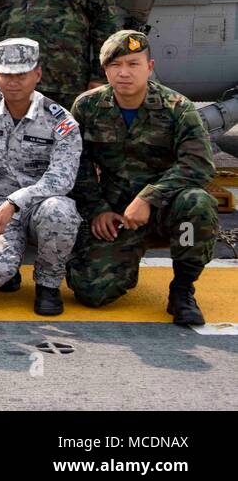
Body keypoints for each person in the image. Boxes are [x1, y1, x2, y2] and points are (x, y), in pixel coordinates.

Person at [67, 31, 218, 325]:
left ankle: (183, 288)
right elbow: (78, 165)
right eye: (116, 65)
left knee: (197, 205)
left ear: (149, 67)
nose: (124, 73)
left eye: (133, 64)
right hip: (117, 215)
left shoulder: (178, 108)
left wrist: (149, 197)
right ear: (105, 70)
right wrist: (97, 210)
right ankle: (125, 258)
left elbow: (198, 164)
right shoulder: (87, 107)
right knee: (91, 291)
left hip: (168, 209)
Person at [0, 38, 82, 316]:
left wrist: (14, 203)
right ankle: (7, 271)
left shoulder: (59, 120)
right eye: (5, 74)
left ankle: (48, 286)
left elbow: (62, 178)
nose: (13, 82)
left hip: (40, 206)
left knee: (61, 211)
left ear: (37, 74)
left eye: (21, 74)